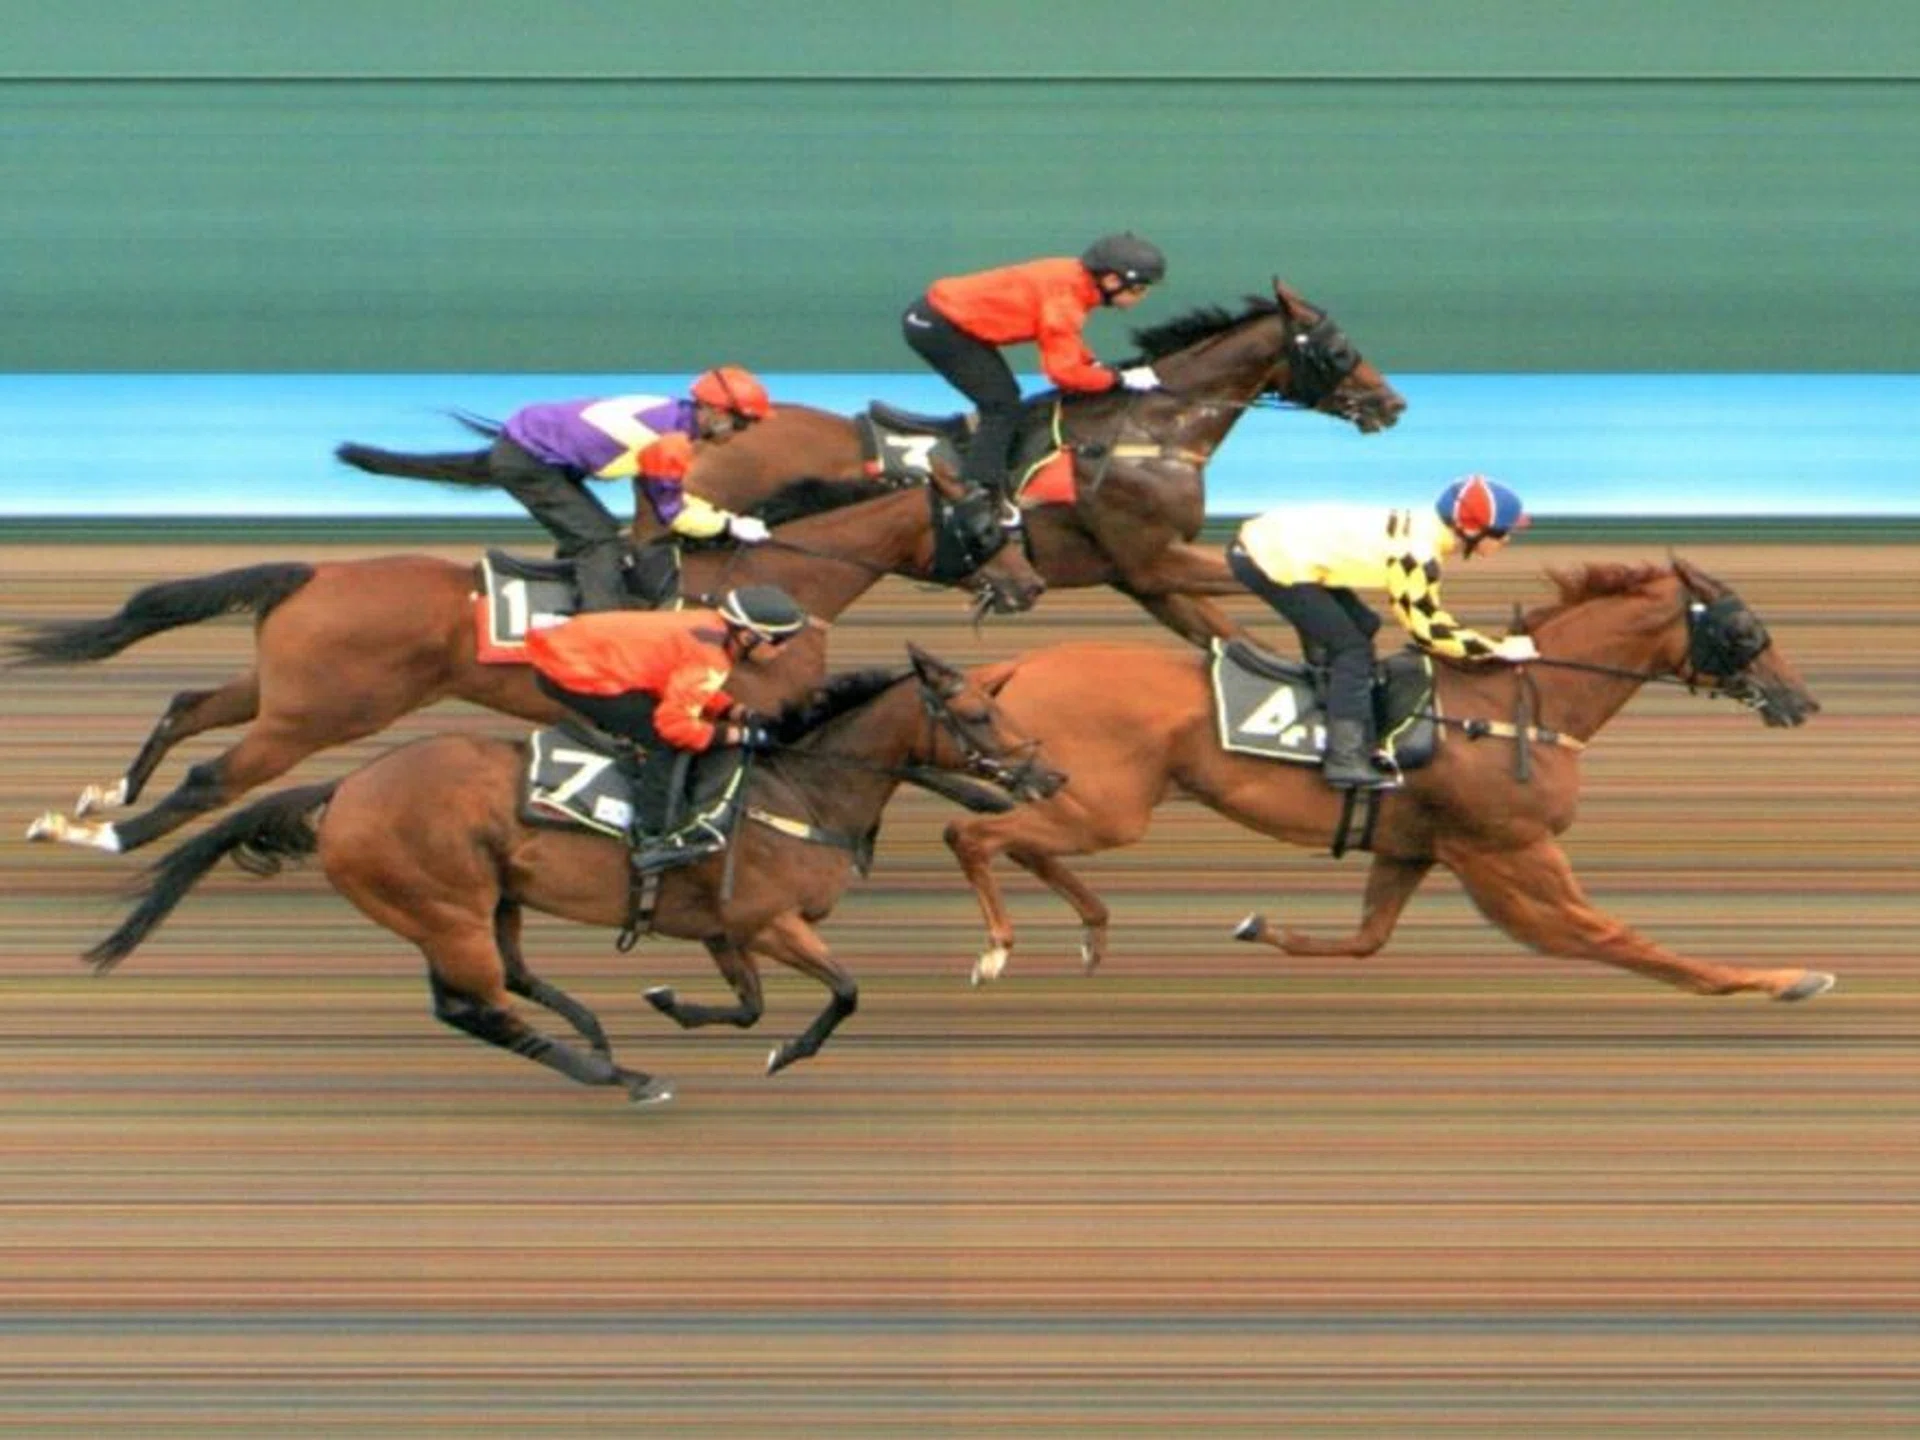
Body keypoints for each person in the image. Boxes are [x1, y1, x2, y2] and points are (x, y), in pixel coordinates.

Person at [1226, 475, 1538, 791]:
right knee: (1352, 649)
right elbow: (1427, 630)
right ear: (1470, 529)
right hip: (1265, 559)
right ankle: (1344, 758)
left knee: (1365, 625)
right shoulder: (1418, 552)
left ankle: (1330, 696)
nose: (1507, 538)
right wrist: (1496, 648)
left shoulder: (1426, 534)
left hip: (1277, 545)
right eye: (1502, 531)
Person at [524, 584, 810, 864]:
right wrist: (739, 735)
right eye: (779, 641)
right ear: (747, 637)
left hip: (574, 653)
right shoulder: (711, 656)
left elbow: (682, 678)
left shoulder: (708, 623)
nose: (784, 649)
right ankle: (654, 834)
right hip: (570, 672)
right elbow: (674, 727)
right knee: (665, 742)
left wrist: (735, 711)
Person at [901, 233, 1167, 502]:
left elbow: (1065, 338)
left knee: (1003, 396)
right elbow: (1064, 374)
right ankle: (978, 491)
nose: (1142, 297)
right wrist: (1117, 379)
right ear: (1111, 281)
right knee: (1002, 405)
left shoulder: (1076, 280)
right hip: (939, 328)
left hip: (943, 318)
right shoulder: (1066, 300)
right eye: (1139, 289)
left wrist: (1092, 364)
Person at [493, 366, 777, 612]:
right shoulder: (669, 443)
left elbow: (668, 494)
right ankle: (598, 629)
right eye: (741, 424)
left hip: (537, 448)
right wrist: (728, 525)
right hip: (529, 460)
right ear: (716, 413)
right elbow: (673, 514)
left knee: (602, 532)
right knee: (599, 543)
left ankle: (567, 592)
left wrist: (726, 518)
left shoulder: (672, 414)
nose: (739, 434)